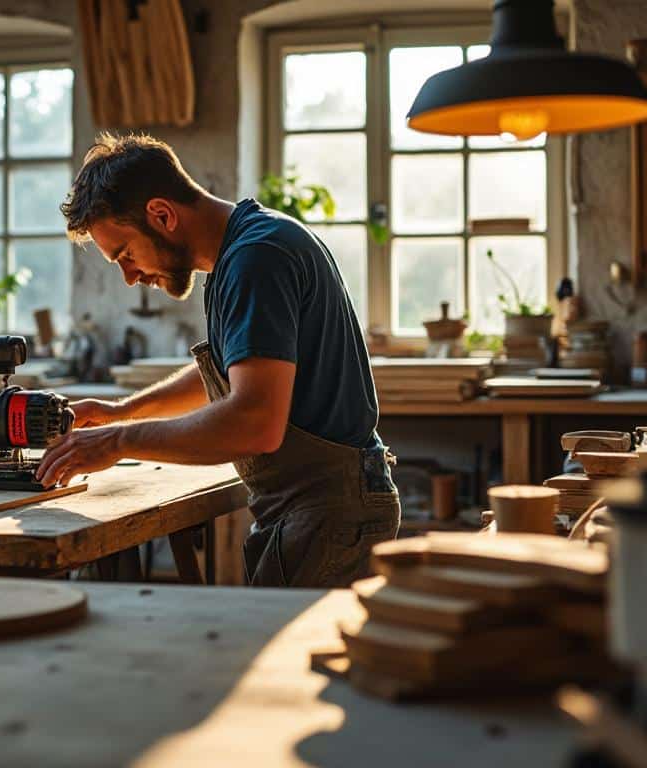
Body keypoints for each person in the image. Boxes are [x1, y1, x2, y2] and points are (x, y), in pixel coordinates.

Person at [38, 133, 399, 587]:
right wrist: (123, 412)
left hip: (328, 512)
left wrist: (117, 443)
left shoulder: (256, 259)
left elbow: (254, 422)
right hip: (317, 508)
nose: (129, 277)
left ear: (162, 214)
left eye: (125, 254)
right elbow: (242, 366)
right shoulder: (249, 247)